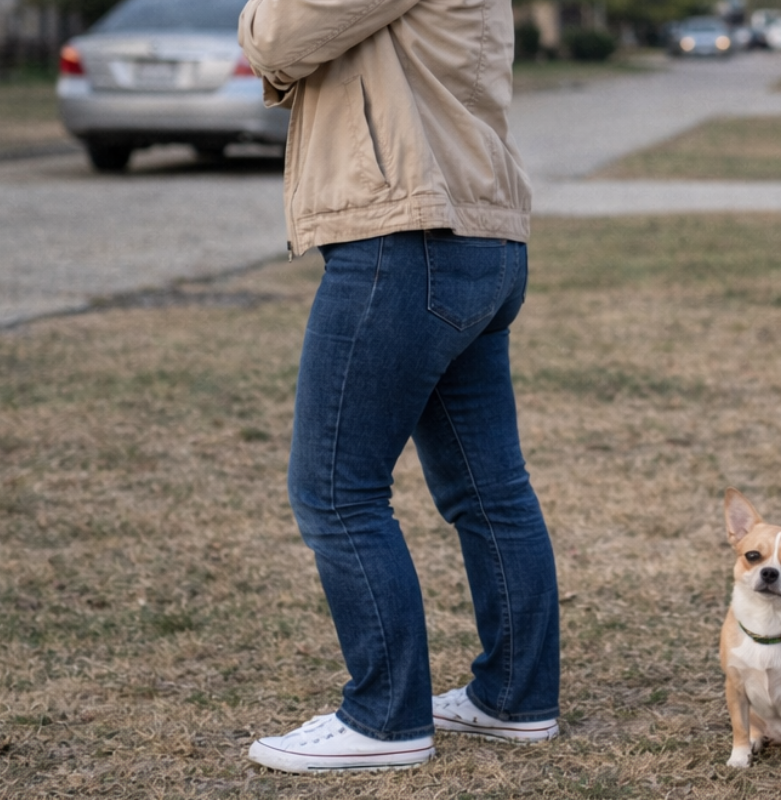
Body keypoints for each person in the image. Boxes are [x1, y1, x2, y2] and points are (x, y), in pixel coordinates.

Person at [237, 0, 561, 773]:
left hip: (405, 241)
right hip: (477, 235)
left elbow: (278, 37)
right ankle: (514, 698)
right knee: (490, 492)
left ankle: (384, 719)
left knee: (335, 489)